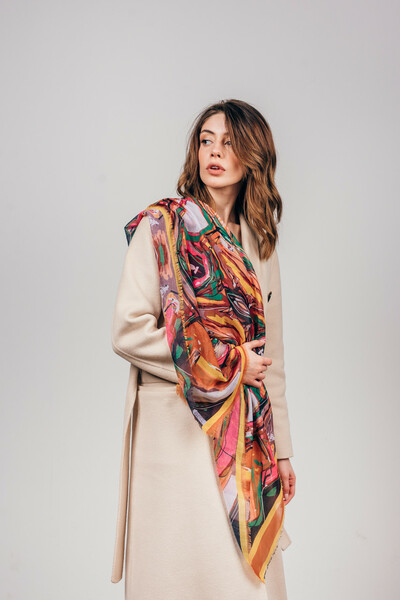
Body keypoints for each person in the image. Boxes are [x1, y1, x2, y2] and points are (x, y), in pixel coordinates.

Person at [110, 99, 296, 600]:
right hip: (173, 428)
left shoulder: (260, 245)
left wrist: (282, 452)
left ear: (253, 157)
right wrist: (226, 363)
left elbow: (272, 359)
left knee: (240, 579)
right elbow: (128, 330)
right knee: (175, 570)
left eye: (229, 143)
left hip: (244, 430)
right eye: (206, 140)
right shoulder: (162, 227)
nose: (214, 152)